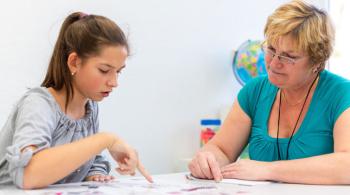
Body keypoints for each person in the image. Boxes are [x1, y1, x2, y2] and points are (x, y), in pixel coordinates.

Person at [189, 0, 350, 185]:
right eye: (271, 50)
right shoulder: (254, 91)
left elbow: (347, 165)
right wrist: (208, 159)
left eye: (289, 57)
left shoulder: (343, 94)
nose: (273, 64)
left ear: (318, 62)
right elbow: (223, 149)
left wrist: (267, 169)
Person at [0, 12, 153, 189]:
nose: (114, 82)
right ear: (74, 62)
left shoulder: (90, 107)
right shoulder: (38, 104)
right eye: (104, 70)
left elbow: (86, 157)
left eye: (118, 71)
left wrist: (94, 173)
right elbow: (28, 175)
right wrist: (105, 139)